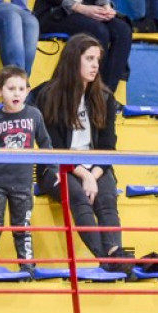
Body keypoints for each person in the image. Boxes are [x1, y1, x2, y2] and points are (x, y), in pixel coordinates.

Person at [30, 33, 133, 273]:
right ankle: (106, 259)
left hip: (95, 165)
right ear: (73, 60)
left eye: (97, 59)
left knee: (107, 199)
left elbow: (108, 146)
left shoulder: (105, 98)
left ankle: (114, 254)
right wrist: (84, 176)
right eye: (89, 59)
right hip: (58, 166)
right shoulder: (49, 95)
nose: (96, 65)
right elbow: (54, 148)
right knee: (78, 196)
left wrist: (93, 174)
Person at [0, 65, 51, 274]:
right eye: (11, 89)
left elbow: (46, 144)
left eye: (21, 89)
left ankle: (27, 268)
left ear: (28, 91)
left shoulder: (35, 115)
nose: (17, 93)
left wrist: (52, 170)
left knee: (23, 228)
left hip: (22, 183)